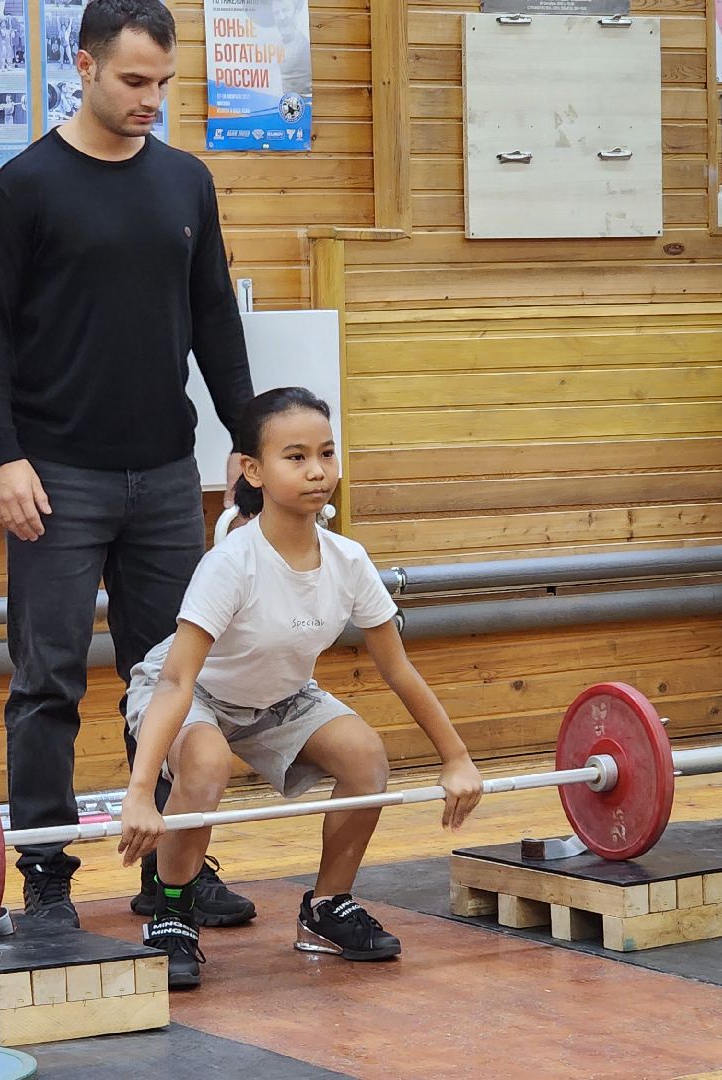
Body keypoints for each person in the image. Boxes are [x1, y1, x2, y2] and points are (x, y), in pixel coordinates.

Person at [0, 0, 256, 931]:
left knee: (170, 676)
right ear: (84, 66)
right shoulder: (23, 189)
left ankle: (173, 872)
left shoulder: (186, 183)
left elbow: (215, 318)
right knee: (47, 682)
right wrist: (2, 455)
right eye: (134, 81)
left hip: (165, 474)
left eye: (164, 83)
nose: (151, 101)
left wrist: (245, 439)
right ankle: (45, 874)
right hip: (57, 478)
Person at [116, 388, 484, 988]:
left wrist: (457, 758)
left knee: (366, 759)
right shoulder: (232, 563)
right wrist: (138, 793)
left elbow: (398, 669)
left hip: (281, 695)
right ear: (254, 471)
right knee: (205, 764)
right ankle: (173, 913)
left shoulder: (348, 559)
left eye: (326, 454)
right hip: (192, 690)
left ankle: (327, 907)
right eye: (295, 457)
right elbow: (180, 678)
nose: (317, 471)